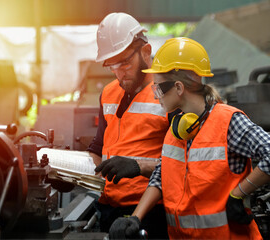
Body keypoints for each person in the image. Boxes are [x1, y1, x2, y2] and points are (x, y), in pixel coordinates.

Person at [109, 37, 270, 239]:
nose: (156, 95)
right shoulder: (177, 126)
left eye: (158, 87)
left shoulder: (228, 122)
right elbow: (161, 175)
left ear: (178, 87)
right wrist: (135, 218)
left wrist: (239, 194)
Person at [87, 12, 177, 238]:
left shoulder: (168, 95)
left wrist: (138, 166)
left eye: (125, 62)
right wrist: (74, 178)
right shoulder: (108, 92)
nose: (119, 73)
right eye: (111, 65)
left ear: (146, 52)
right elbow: (98, 148)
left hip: (150, 212)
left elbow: (183, 164)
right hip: (108, 209)